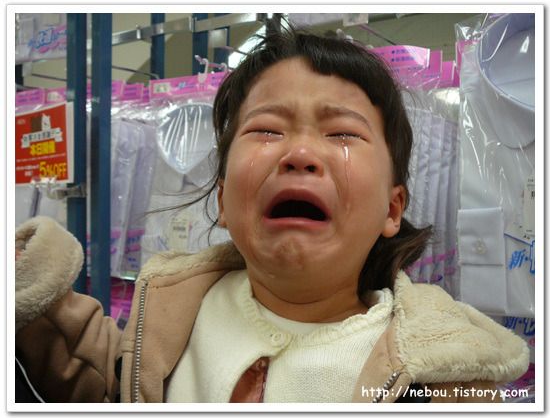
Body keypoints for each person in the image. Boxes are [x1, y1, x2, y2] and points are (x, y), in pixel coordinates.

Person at [15, 26, 529, 403]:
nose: (300, 154)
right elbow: (108, 381)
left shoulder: (445, 381)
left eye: (342, 133)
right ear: (222, 200)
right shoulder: (168, 317)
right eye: (266, 130)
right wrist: (34, 290)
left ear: (392, 209)